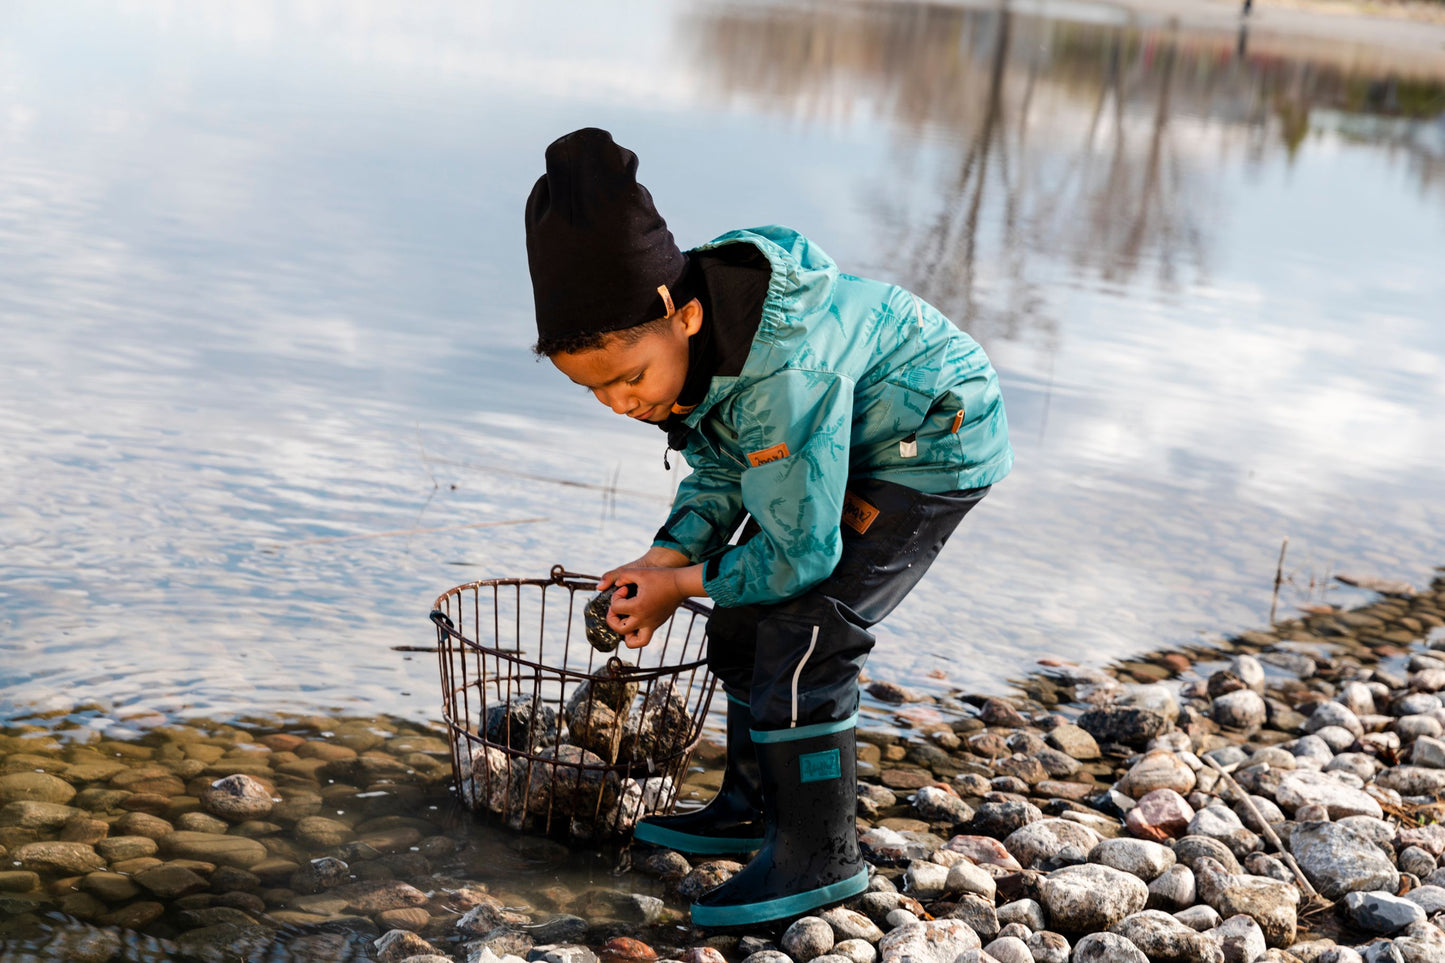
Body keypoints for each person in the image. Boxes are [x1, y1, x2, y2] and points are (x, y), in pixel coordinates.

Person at [524, 128, 1013, 927]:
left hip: (930, 443)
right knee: (743, 621)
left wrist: (679, 585)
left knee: (808, 629)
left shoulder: (782, 370)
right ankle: (754, 809)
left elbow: (800, 552)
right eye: (596, 391)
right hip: (841, 440)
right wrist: (669, 554)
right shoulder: (703, 348)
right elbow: (724, 467)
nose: (621, 403)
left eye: (629, 377)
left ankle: (819, 858)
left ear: (679, 315)